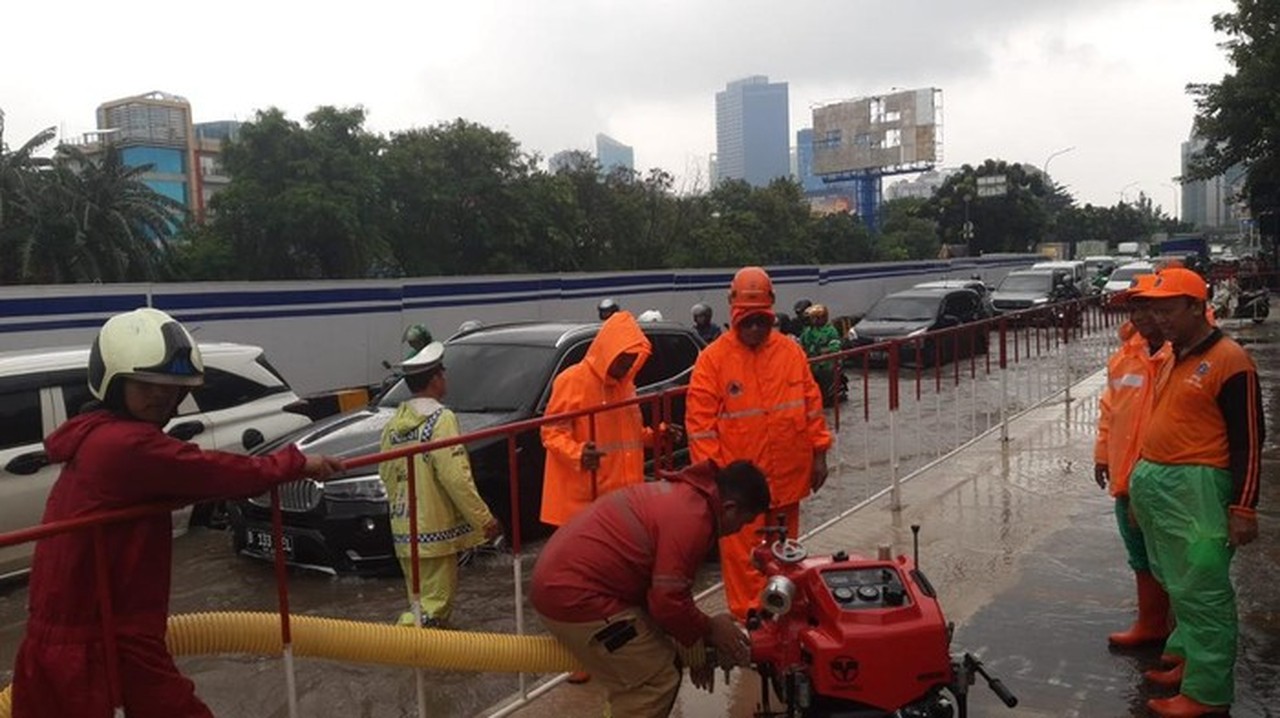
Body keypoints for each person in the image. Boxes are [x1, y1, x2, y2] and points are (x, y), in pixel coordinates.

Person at [10, 308, 343, 718]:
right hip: (103, 646)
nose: (161, 397)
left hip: (71, 641)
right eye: (147, 385)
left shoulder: (93, 434)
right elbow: (217, 473)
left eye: (172, 389)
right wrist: (295, 462)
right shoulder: (123, 446)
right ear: (114, 383)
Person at [530, 459, 770, 717]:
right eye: (744, 522)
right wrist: (710, 629)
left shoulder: (685, 495)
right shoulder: (693, 520)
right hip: (576, 597)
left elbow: (666, 594)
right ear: (729, 507)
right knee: (655, 679)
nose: (738, 531)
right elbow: (667, 602)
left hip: (565, 583)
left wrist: (695, 644)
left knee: (656, 654)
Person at [1127, 267, 1264, 717]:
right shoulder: (1173, 354)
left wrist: (1243, 506)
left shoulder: (1230, 360)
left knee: (1202, 590)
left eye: (1168, 310)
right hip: (1162, 489)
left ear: (1196, 306)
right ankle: (1185, 659)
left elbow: (1248, 440)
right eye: (1154, 310)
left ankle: (1206, 693)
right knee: (1176, 582)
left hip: (1199, 490)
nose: (1159, 319)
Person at [686, 267, 832, 620]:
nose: (754, 329)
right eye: (747, 321)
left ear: (771, 314)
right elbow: (700, 427)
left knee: (784, 554)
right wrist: (719, 484)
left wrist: (820, 453)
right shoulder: (712, 361)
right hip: (741, 489)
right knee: (744, 559)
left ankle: (783, 615)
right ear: (733, 314)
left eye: (760, 321)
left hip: (788, 476)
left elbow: (811, 406)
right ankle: (753, 624)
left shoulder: (791, 353)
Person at [378, 341, 501, 628]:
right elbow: (456, 477)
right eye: (442, 374)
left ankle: (423, 666)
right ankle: (404, 651)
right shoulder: (441, 419)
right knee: (434, 609)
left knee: (418, 602)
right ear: (435, 379)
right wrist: (483, 520)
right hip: (435, 532)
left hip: (404, 531)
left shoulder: (394, 424)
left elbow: (386, 473)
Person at [1093, 274, 1173, 648]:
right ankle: (1153, 624)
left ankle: (1184, 638)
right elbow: (1111, 411)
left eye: (1150, 306)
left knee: (1175, 560)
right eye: (1135, 307)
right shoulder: (1126, 357)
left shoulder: (1187, 355)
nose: (1141, 315)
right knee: (1140, 556)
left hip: (1171, 481)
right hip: (1127, 476)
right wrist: (1102, 455)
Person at [541, 311, 675, 528]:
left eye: (631, 362)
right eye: (622, 361)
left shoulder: (626, 387)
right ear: (608, 353)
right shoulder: (572, 380)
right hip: (584, 504)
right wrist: (578, 454)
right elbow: (551, 432)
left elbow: (630, 436)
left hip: (623, 500)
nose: (627, 368)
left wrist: (658, 435)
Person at [799, 303, 844, 407]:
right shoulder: (808, 331)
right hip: (811, 364)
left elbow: (835, 346)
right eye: (812, 318)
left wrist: (823, 350)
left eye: (815, 318)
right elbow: (802, 344)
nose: (813, 321)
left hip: (826, 365)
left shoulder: (830, 331)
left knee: (825, 392)